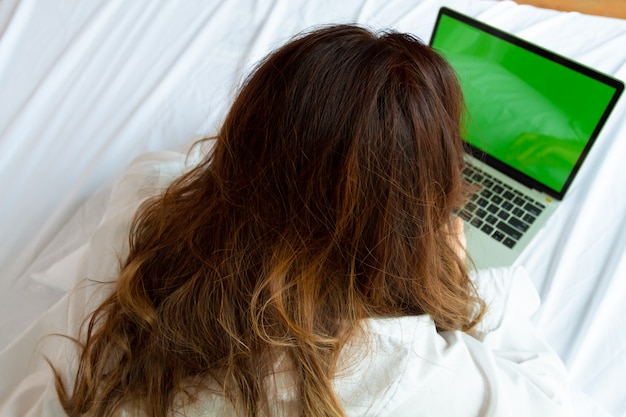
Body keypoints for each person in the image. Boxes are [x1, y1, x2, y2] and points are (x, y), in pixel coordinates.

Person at [48, 25, 573, 416]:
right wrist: (458, 287)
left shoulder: (145, 210)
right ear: (413, 222)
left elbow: (179, 173)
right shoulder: (411, 366)